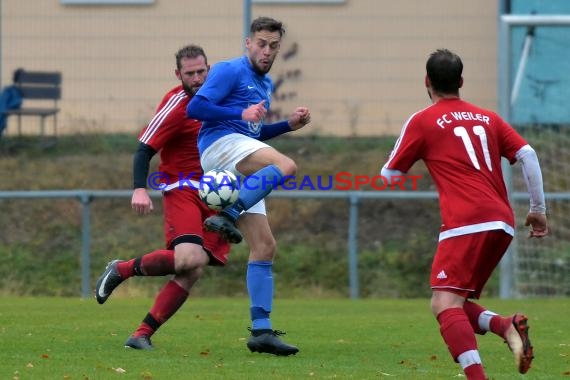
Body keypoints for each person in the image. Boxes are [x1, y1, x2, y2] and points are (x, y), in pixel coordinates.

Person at [380, 49, 548, 379]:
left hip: (466, 221)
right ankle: (506, 325)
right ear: (460, 81)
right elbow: (527, 155)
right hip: (502, 222)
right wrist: (538, 210)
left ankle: (477, 377)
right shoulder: (489, 118)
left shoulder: (423, 120)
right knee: (453, 302)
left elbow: (390, 176)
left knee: (444, 306)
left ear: (426, 82)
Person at [187, 16, 310, 356]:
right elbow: (195, 106)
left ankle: (262, 331)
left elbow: (255, 133)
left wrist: (289, 125)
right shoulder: (229, 70)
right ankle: (228, 212)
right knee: (285, 165)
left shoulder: (264, 85)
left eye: (273, 46)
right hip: (220, 145)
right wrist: (240, 114)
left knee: (265, 246)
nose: (267, 51)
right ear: (248, 43)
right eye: (261, 44)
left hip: (240, 147)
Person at [94, 45, 230, 350]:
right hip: (181, 187)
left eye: (201, 71)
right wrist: (139, 188)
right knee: (189, 259)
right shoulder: (177, 104)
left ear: (209, 69)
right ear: (178, 74)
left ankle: (141, 334)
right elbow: (144, 148)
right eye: (190, 73)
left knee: (192, 269)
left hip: (215, 194)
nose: (197, 78)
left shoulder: (221, 98)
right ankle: (122, 269)